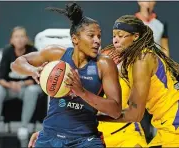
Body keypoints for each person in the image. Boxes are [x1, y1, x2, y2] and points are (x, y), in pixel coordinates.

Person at [11, 3, 122, 148]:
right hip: (50, 135)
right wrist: (34, 71)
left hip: (85, 139)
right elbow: (17, 63)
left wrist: (81, 92)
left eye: (99, 36)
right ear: (75, 38)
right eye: (91, 36)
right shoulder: (57, 54)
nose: (97, 41)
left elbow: (115, 111)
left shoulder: (104, 64)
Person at [98, 15, 179, 147]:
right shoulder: (137, 59)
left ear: (136, 37)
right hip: (173, 121)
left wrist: (96, 117)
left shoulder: (141, 60)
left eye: (120, 36)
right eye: (114, 36)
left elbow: (135, 114)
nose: (115, 40)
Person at [0, 26, 42, 140]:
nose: (19, 39)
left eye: (22, 36)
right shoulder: (7, 52)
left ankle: (24, 127)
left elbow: (37, 77)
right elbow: (0, 78)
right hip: (10, 88)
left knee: (32, 90)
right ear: (11, 40)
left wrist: (21, 84)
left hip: (27, 88)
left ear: (27, 39)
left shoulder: (33, 51)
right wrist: (10, 85)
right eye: (16, 37)